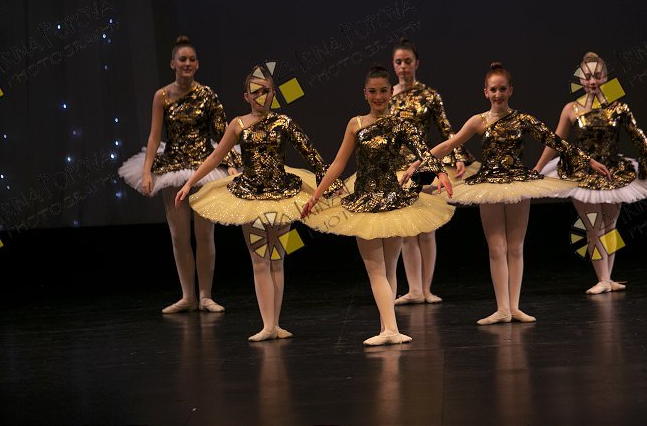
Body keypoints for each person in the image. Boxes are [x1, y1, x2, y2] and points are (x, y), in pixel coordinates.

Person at [413, 62, 610, 325]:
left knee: (515, 248)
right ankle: (502, 308)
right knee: (497, 248)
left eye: (502, 89)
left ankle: (514, 307)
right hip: (490, 186)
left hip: (518, 183)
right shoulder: (479, 121)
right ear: (485, 91)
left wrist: (589, 161)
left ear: (510, 90)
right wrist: (418, 164)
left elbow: (556, 141)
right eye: (493, 90)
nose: (498, 94)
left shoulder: (523, 120)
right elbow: (450, 144)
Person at [174, 64, 343, 341]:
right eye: (255, 92)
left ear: (273, 94)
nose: (260, 96)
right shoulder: (238, 124)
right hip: (249, 196)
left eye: (266, 91)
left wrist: (332, 185)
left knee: (276, 259)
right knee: (259, 261)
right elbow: (216, 157)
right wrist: (189, 182)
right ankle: (268, 326)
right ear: (246, 96)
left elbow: (310, 153)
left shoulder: (283, 122)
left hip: (282, 196)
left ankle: (275, 324)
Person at [300, 65, 455, 346]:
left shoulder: (401, 124)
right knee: (378, 270)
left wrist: (441, 173)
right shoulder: (356, 124)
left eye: (383, 91)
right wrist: (317, 195)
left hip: (393, 200)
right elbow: (338, 164)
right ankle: (388, 328)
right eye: (373, 91)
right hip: (364, 202)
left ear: (391, 92)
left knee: (386, 269)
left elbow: (423, 151)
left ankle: (390, 330)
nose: (378, 96)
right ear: (365, 93)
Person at [534, 52, 647, 294]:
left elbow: (638, 136)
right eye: (587, 77)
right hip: (582, 173)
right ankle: (602, 279)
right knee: (593, 226)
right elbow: (556, 141)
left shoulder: (618, 107)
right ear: (581, 80)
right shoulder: (572, 109)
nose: (592, 81)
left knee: (610, 225)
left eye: (597, 76)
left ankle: (608, 278)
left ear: (605, 77)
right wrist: (537, 168)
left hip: (613, 171)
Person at [119, 36, 238, 314]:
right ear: (172, 63)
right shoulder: (161, 96)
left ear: (197, 64)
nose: (187, 63)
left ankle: (206, 295)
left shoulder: (207, 95)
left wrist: (231, 162)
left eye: (191, 59)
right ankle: (188, 296)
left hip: (204, 166)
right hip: (173, 166)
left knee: (204, 234)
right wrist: (147, 171)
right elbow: (154, 136)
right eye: (182, 59)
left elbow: (223, 134)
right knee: (179, 236)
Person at [388, 38, 475, 306]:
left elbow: (446, 129)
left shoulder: (429, 95)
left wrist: (458, 156)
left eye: (408, 61)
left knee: (426, 229)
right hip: (397, 169)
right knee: (407, 229)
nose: (403, 66)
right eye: (399, 62)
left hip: (423, 164)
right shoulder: (387, 96)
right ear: (394, 65)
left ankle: (426, 289)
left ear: (417, 63)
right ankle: (414, 289)